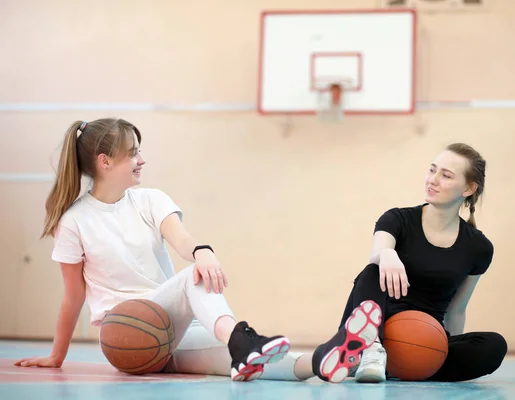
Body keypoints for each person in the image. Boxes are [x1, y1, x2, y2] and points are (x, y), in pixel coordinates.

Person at [12, 118, 338, 382]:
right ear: (105, 161)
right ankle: (240, 338)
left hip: (172, 331)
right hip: (128, 333)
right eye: (133, 153)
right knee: (192, 279)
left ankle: (322, 361)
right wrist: (57, 355)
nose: (142, 160)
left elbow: (181, 238)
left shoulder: (150, 200)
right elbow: (73, 297)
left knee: (248, 363)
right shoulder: (73, 222)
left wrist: (202, 251)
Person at [312, 143, 508, 383]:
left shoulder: (478, 247)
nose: (432, 180)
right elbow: (378, 251)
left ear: (469, 188)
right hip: (376, 329)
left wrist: (446, 349)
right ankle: (368, 351)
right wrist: (387, 254)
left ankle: (404, 365)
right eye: (432, 170)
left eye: (445, 175)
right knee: (373, 270)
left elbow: (457, 310)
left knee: (494, 345)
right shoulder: (397, 219)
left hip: (424, 339)